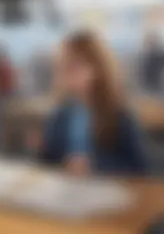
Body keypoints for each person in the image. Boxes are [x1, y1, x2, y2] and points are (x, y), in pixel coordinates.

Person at [27, 30, 148, 176]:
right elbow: (48, 162)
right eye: (62, 66)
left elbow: (139, 168)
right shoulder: (60, 113)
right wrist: (39, 149)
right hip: (67, 191)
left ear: (97, 69)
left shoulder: (119, 114)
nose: (66, 73)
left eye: (74, 66)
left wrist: (95, 165)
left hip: (106, 190)